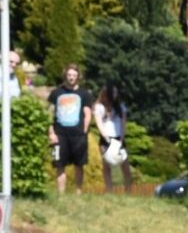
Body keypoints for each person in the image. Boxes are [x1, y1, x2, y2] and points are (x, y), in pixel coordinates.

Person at [49, 65, 92, 193]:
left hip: (78, 135)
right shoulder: (56, 93)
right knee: (59, 165)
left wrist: (84, 131)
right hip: (59, 135)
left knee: (79, 165)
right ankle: (60, 194)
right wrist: (51, 133)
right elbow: (49, 115)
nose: (71, 78)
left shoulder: (84, 94)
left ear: (78, 76)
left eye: (74, 75)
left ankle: (78, 192)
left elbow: (88, 114)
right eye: (69, 75)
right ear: (65, 76)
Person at [94, 85, 131, 193]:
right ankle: (109, 191)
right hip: (106, 139)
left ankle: (128, 191)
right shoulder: (99, 107)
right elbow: (99, 124)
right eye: (112, 92)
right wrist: (107, 139)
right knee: (107, 166)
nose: (115, 95)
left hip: (119, 138)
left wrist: (121, 139)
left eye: (116, 92)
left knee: (125, 166)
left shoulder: (121, 107)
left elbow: (124, 124)